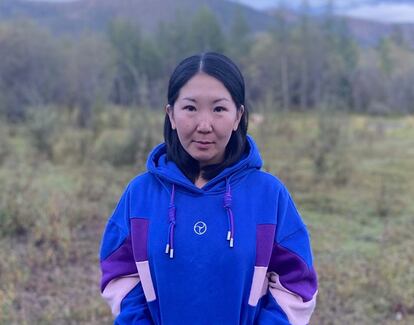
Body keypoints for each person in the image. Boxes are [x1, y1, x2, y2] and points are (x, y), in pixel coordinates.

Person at [99, 52, 318, 325]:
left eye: (219, 109)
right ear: (171, 115)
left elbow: (296, 284)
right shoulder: (140, 195)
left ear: (238, 116)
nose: (204, 125)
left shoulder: (270, 196)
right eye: (190, 108)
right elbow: (119, 272)